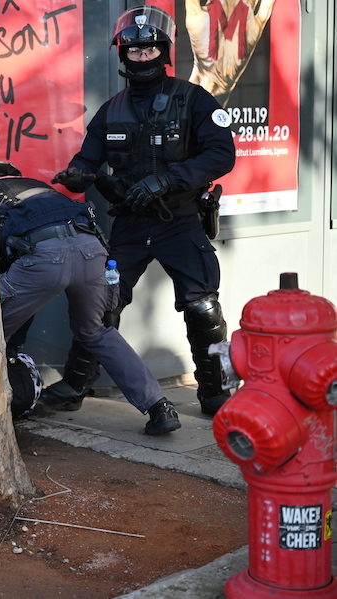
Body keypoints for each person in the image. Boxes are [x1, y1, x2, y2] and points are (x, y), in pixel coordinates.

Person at [49, 5, 236, 417]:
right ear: (123, 54)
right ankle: (76, 385)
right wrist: (78, 175)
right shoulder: (111, 110)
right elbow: (89, 157)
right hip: (130, 225)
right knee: (103, 302)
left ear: (164, 52)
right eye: (134, 51)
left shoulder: (194, 101)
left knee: (202, 305)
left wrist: (167, 180)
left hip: (180, 220)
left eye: (150, 50)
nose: (142, 57)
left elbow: (222, 154)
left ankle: (217, 390)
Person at [0, 161, 179, 435]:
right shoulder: (39, 190)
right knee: (96, 332)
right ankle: (159, 407)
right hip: (92, 250)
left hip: (43, 259)